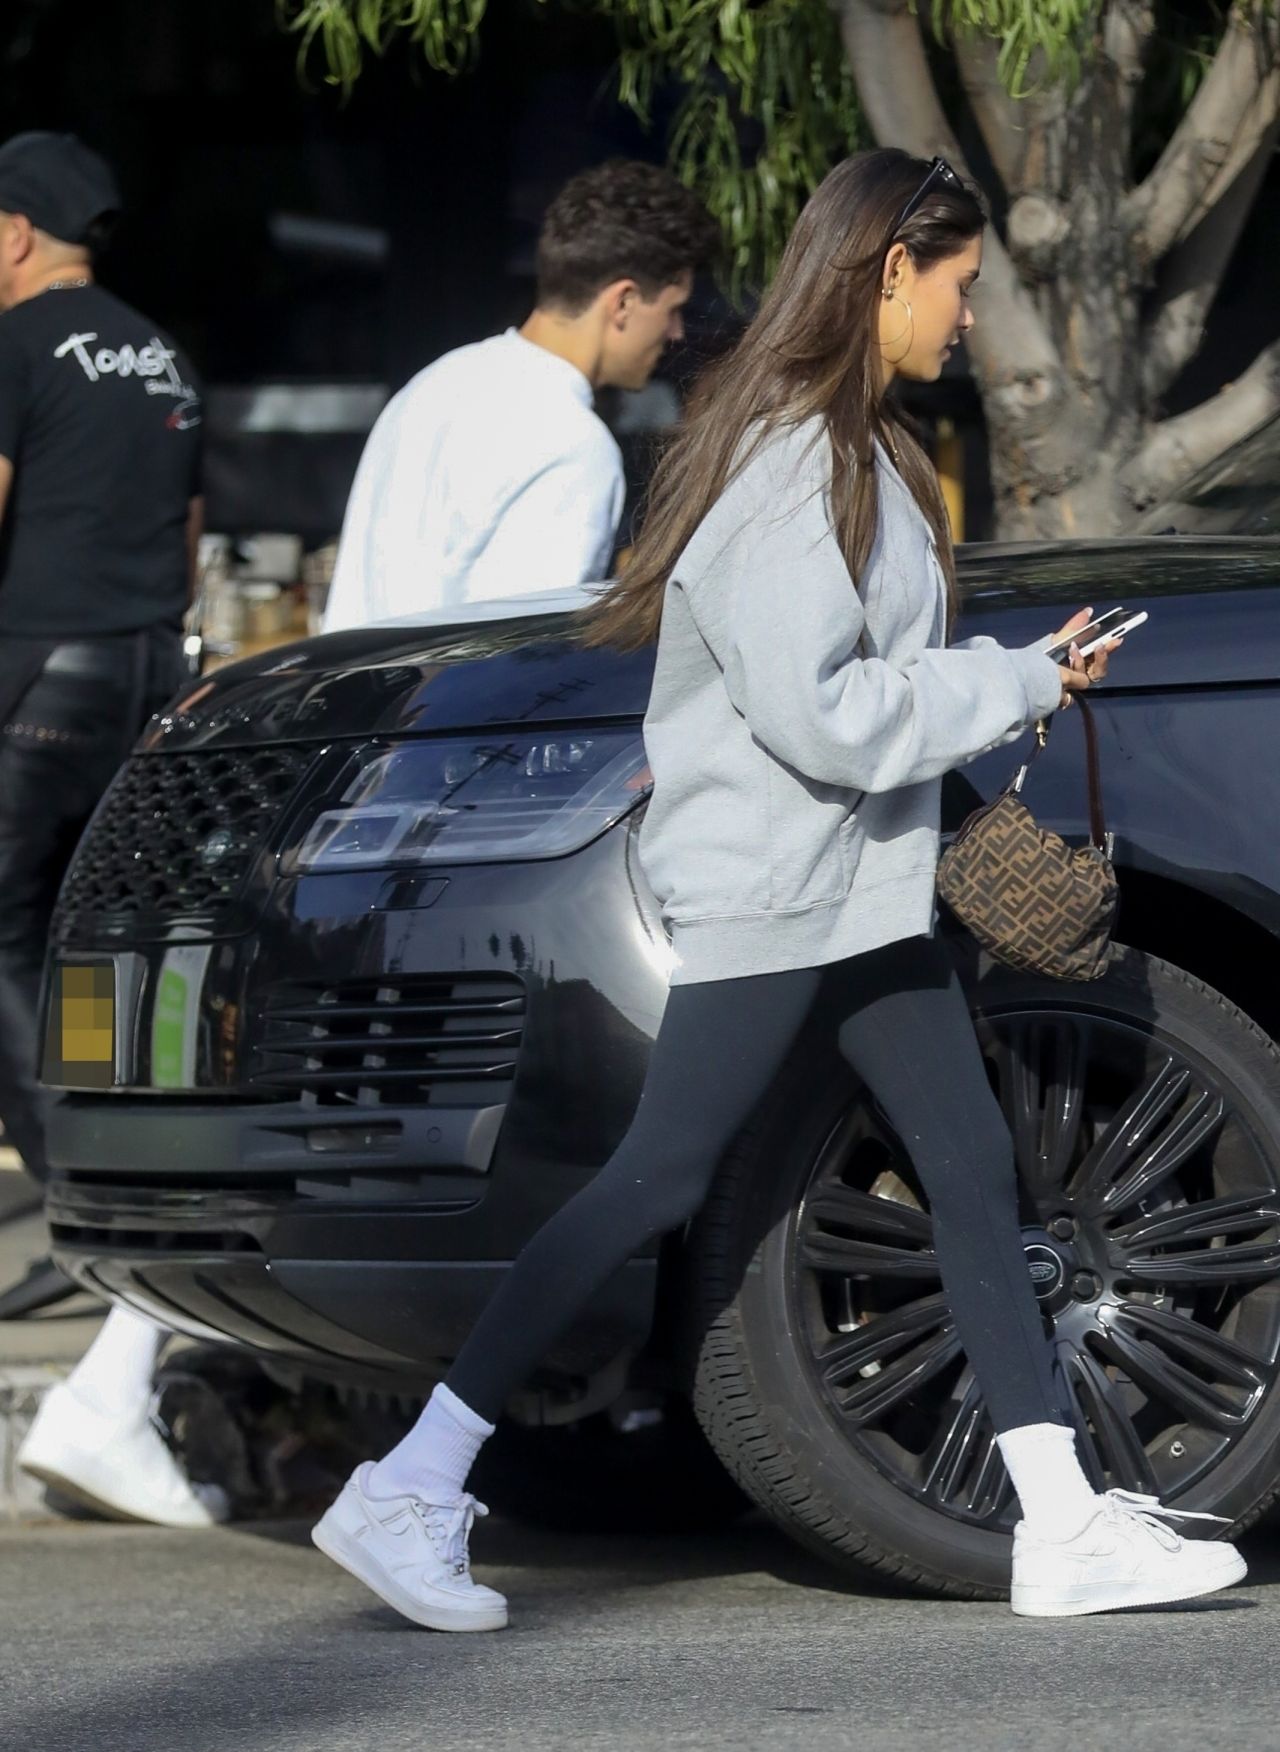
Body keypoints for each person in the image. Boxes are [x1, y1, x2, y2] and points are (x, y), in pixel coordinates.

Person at [311, 150, 1248, 1627]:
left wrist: (1019, 677)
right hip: (785, 885)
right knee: (658, 1179)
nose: (966, 319)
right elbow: (823, 713)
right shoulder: (792, 464)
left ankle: (1060, 1518)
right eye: (959, 287)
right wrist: (1008, 681)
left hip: (861, 888)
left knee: (973, 1172)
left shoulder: (852, 450)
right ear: (890, 273)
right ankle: (413, 1484)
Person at [0, 131, 217, 1527]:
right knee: (94, 949)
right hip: (145, 674)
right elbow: (193, 534)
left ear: (14, 237)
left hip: (34, 672)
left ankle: (88, 1198)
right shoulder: (159, 353)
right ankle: (123, 1190)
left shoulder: (18, 343)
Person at [321, 159, 717, 631]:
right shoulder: (573, 445)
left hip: (362, 698)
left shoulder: (434, 384)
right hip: (441, 705)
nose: (676, 333)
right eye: (673, 310)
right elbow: (518, 666)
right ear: (623, 302)